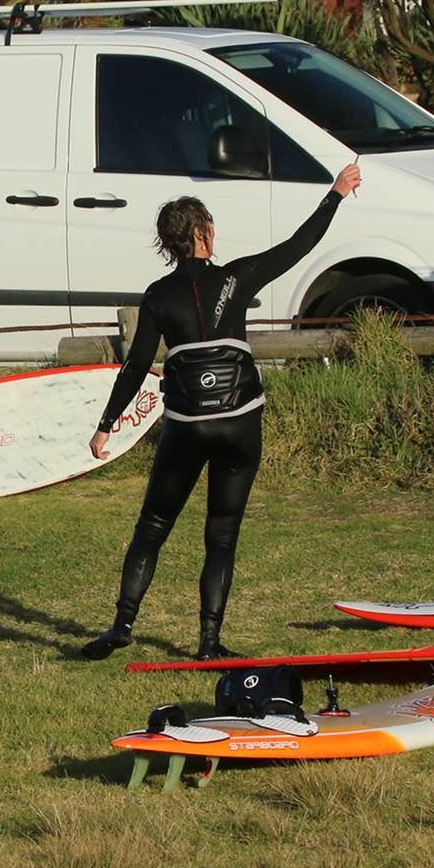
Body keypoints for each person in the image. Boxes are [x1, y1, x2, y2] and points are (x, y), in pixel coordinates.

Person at [79, 161, 364, 661]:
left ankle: (121, 626)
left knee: (152, 527)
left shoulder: (158, 296)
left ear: (169, 244)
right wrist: (336, 193)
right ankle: (209, 643)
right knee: (222, 533)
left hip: (187, 427)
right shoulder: (238, 276)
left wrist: (106, 425)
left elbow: (136, 366)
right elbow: (300, 245)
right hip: (239, 423)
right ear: (202, 234)